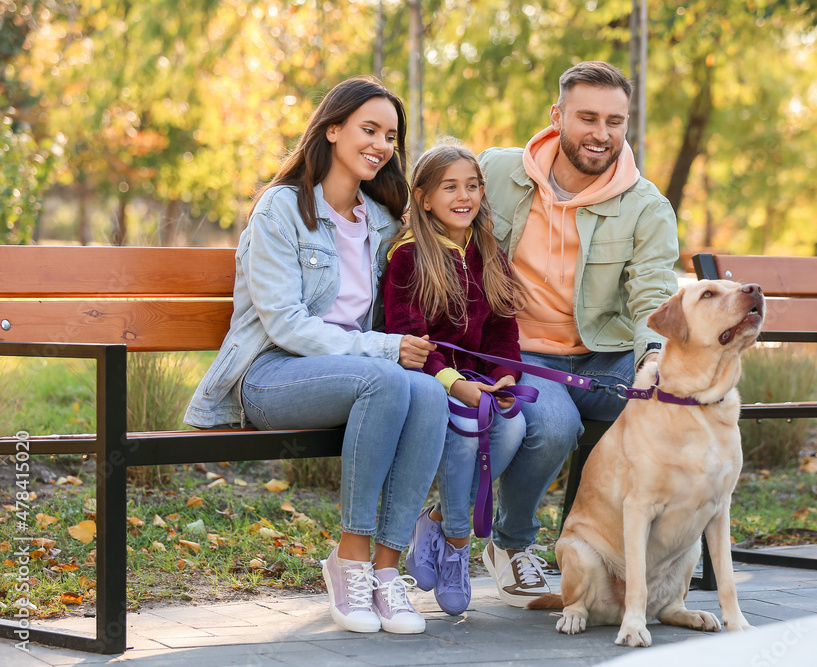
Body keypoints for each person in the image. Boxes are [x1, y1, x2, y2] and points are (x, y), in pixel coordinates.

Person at [183, 76, 448, 635]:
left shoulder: (381, 221)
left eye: (390, 136)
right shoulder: (282, 210)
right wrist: (382, 349)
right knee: (390, 380)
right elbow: (285, 323)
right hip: (272, 375)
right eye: (368, 129)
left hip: (357, 376)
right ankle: (349, 558)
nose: (380, 144)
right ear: (332, 129)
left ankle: (385, 569)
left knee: (425, 389)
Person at [477, 61, 680, 606]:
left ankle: (645, 554)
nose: (602, 134)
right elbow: (431, 219)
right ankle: (510, 543)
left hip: (602, 355)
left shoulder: (645, 205)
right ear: (558, 116)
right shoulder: (496, 173)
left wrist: (654, 360)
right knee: (556, 425)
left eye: (615, 121)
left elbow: (654, 293)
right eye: (587, 117)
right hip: (516, 353)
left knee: (674, 408)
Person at [382, 141, 526, 616]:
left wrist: (504, 377)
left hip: (482, 381)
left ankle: (439, 520)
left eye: (473, 186)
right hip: (430, 380)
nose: (464, 195)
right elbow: (406, 335)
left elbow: (504, 326)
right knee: (466, 436)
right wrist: (452, 381)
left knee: (516, 427)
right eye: (450, 187)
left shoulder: (488, 251)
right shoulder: (408, 257)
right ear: (423, 198)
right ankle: (458, 548)